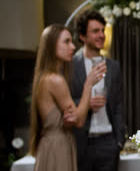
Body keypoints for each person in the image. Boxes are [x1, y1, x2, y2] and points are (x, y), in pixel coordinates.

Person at [29, 24, 105, 171]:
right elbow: (79, 120)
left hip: (51, 144)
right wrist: (88, 84)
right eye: (66, 41)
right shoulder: (55, 80)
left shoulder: (44, 77)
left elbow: (72, 118)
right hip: (58, 147)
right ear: (52, 45)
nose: (72, 47)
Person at [71, 10, 126, 171]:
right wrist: (85, 103)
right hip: (81, 142)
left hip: (108, 142)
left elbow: (118, 105)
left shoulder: (113, 67)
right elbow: (65, 102)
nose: (101, 35)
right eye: (95, 31)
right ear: (82, 36)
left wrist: (118, 141)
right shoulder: (71, 66)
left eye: (102, 30)